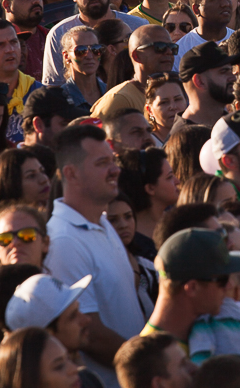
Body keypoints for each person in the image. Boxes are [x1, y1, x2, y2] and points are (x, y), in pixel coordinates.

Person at [45, 125, 146, 386]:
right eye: (102, 163)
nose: (115, 170)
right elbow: (88, 332)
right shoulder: (64, 240)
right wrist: (148, 365)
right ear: (71, 174)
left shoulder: (104, 223)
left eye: (113, 161)